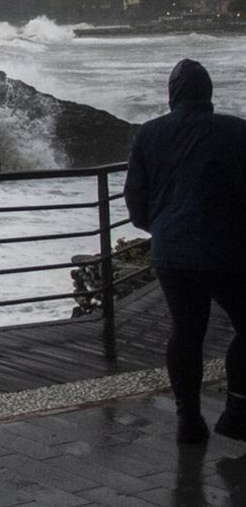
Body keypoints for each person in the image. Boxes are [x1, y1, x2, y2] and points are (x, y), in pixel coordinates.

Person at [124, 58, 246, 445]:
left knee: (187, 331)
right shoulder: (235, 131)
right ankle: (238, 411)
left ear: (172, 95)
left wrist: (160, 228)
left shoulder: (149, 133)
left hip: (170, 251)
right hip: (225, 249)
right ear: (208, 93)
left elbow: (135, 198)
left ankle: (188, 420)